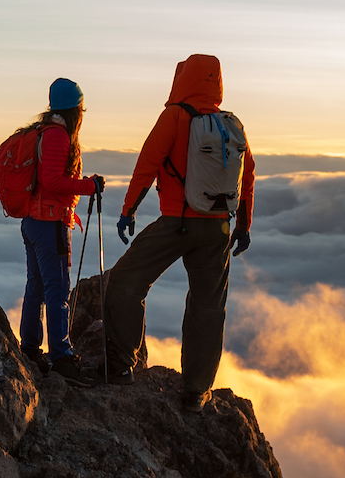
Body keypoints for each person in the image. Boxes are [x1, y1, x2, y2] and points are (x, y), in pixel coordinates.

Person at [106, 54, 255, 407]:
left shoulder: (174, 117)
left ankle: (120, 366)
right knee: (208, 306)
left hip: (177, 222)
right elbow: (247, 176)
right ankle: (196, 390)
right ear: (216, 81)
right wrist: (244, 226)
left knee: (126, 281)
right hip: (218, 227)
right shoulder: (230, 124)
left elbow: (147, 165)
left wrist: (129, 211)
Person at [18, 78, 109, 381]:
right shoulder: (58, 136)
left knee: (38, 286)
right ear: (75, 111)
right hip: (50, 221)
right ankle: (61, 358)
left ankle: (30, 349)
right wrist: (89, 186)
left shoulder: (44, 132)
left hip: (33, 220)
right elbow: (53, 181)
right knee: (57, 289)